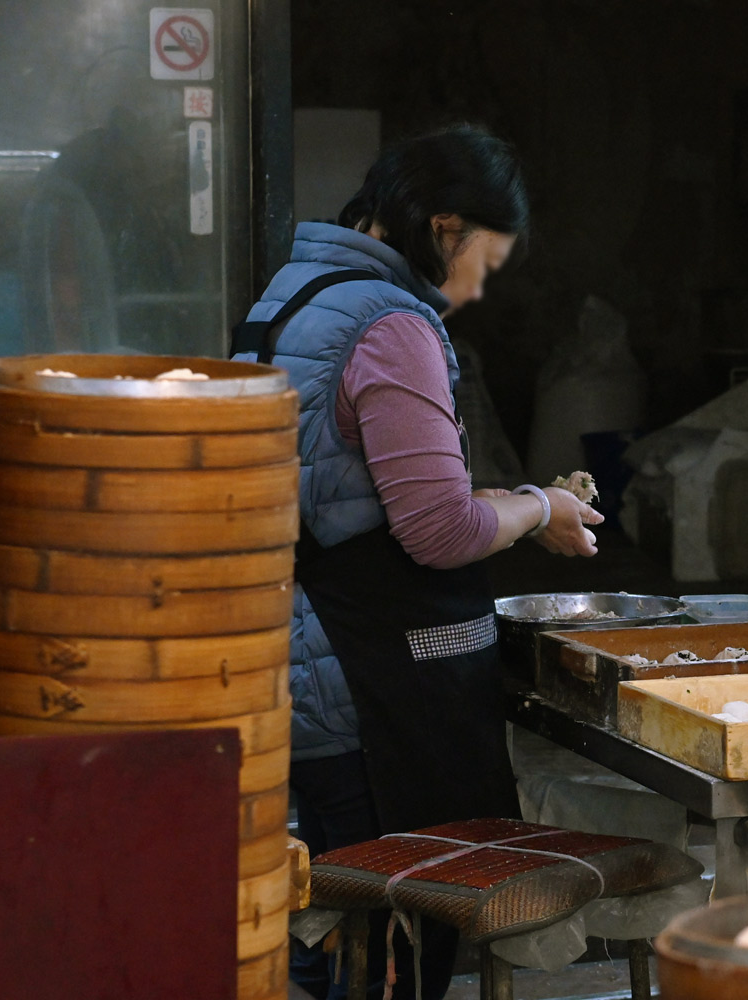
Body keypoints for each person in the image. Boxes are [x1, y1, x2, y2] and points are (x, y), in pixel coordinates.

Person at [233, 125, 603, 999]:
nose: (474, 292)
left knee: (329, 937)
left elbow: (349, 497)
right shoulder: (389, 323)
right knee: (392, 954)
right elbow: (437, 529)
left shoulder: (288, 299)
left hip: (293, 661)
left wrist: (503, 505)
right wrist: (539, 507)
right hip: (369, 694)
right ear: (444, 227)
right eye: (484, 264)